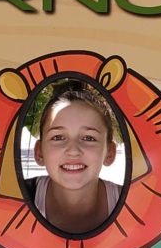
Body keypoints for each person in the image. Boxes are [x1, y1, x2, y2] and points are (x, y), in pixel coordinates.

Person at [29, 81, 121, 234]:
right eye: (58, 137)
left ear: (110, 153)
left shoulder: (131, 203)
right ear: (39, 152)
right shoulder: (17, 196)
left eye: (89, 138)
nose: (73, 151)